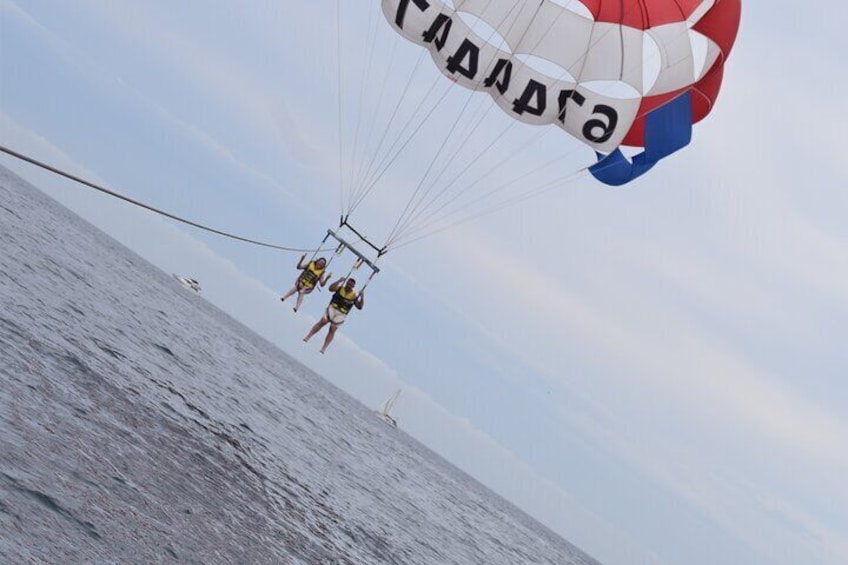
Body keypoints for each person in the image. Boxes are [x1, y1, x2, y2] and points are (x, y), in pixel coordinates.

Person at [303, 276, 365, 353]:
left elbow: (360, 307)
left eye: (351, 285)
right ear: (346, 283)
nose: (349, 286)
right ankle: (308, 336)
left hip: (341, 313)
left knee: (333, 328)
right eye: (348, 284)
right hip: (332, 308)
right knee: (323, 321)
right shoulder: (339, 288)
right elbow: (330, 288)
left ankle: (324, 348)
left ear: (353, 286)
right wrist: (339, 280)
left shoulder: (354, 296)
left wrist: (362, 296)